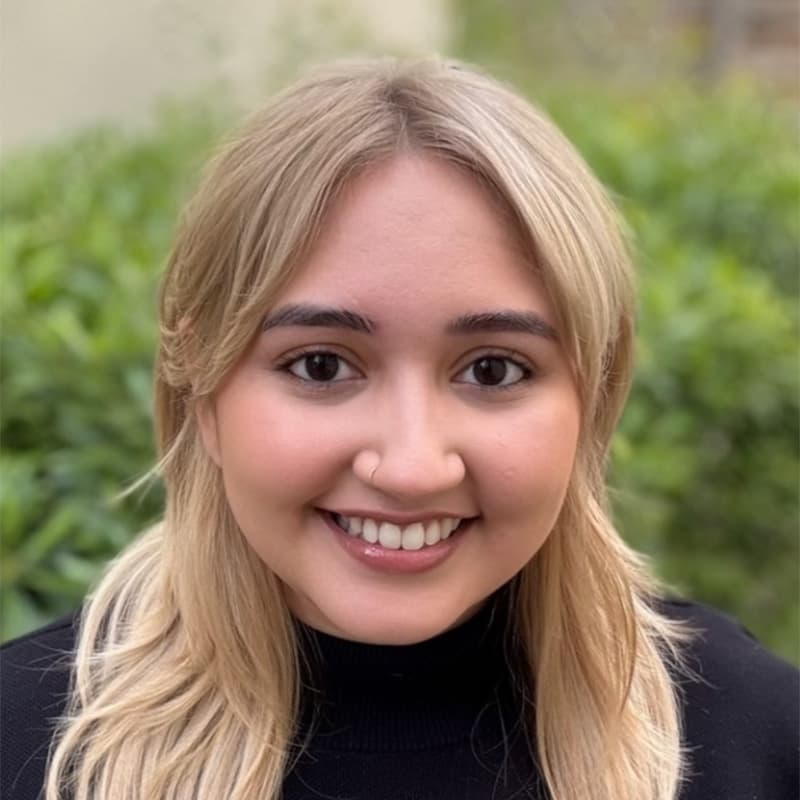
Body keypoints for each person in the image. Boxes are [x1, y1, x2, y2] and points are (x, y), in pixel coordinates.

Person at [1, 58, 797, 800]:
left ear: (596, 396)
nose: (412, 467)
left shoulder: (752, 743)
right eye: (320, 365)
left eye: (494, 369)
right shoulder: (24, 746)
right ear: (199, 386)